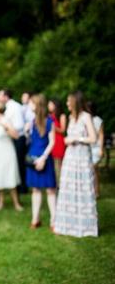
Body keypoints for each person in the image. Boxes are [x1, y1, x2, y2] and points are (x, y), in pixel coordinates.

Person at [54, 91, 98, 237]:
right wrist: (68, 140)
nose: (67, 104)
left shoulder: (86, 117)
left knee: (83, 188)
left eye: (68, 101)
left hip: (82, 157)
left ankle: (85, 226)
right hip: (70, 157)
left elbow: (93, 138)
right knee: (68, 188)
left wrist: (78, 139)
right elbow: (67, 137)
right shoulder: (70, 118)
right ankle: (68, 224)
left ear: (75, 102)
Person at [26, 94, 57, 229]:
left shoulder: (50, 122)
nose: (29, 105)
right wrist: (27, 131)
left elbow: (52, 142)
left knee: (50, 190)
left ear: (38, 105)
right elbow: (30, 140)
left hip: (44, 157)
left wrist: (43, 158)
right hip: (33, 157)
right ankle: (35, 219)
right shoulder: (32, 121)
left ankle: (54, 221)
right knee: (35, 189)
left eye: (31, 103)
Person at [0, 89, 27, 194]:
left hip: (18, 137)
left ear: (6, 96)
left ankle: (22, 187)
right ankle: (19, 186)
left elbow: (19, 125)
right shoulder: (11, 106)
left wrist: (8, 128)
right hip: (14, 137)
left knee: (19, 163)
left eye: (0, 96)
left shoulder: (13, 107)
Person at [87, 102, 104, 198]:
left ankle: (96, 192)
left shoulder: (98, 120)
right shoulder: (85, 119)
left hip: (96, 148)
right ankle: (91, 191)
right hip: (87, 148)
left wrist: (101, 149)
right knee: (90, 171)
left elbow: (101, 135)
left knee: (94, 170)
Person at [48, 99, 66, 185]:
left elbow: (63, 130)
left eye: (50, 104)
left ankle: (60, 183)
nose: (48, 106)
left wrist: (53, 127)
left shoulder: (62, 116)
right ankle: (55, 183)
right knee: (53, 164)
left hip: (59, 141)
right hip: (51, 140)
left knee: (59, 164)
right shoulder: (49, 116)